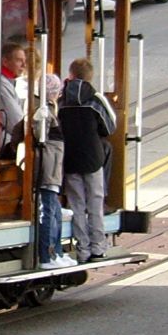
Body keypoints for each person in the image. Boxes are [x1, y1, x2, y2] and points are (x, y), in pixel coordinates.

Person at [57, 57, 116, 263]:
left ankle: (82, 249)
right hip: (93, 158)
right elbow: (110, 127)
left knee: (77, 204)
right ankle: (98, 247)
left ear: (70, 75)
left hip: (70, 158)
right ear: (90, 77)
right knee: (95, 202)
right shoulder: (96, 99)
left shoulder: (61, 100)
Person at [32, 70, 73, 268]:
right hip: (48, 168)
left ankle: (56, 252)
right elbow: (39, 137)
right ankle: (47, 256)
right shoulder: (44, 110)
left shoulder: (50, 108)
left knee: (55, 210)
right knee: (48, 211)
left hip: (53, 168)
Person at [0, 42, 28, 161]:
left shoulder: (9, 82)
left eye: (24, 60)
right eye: (19, 60)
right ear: (5, 62)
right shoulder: (2, 84)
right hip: (3, 144)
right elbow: (16, 123)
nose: (24, 65)